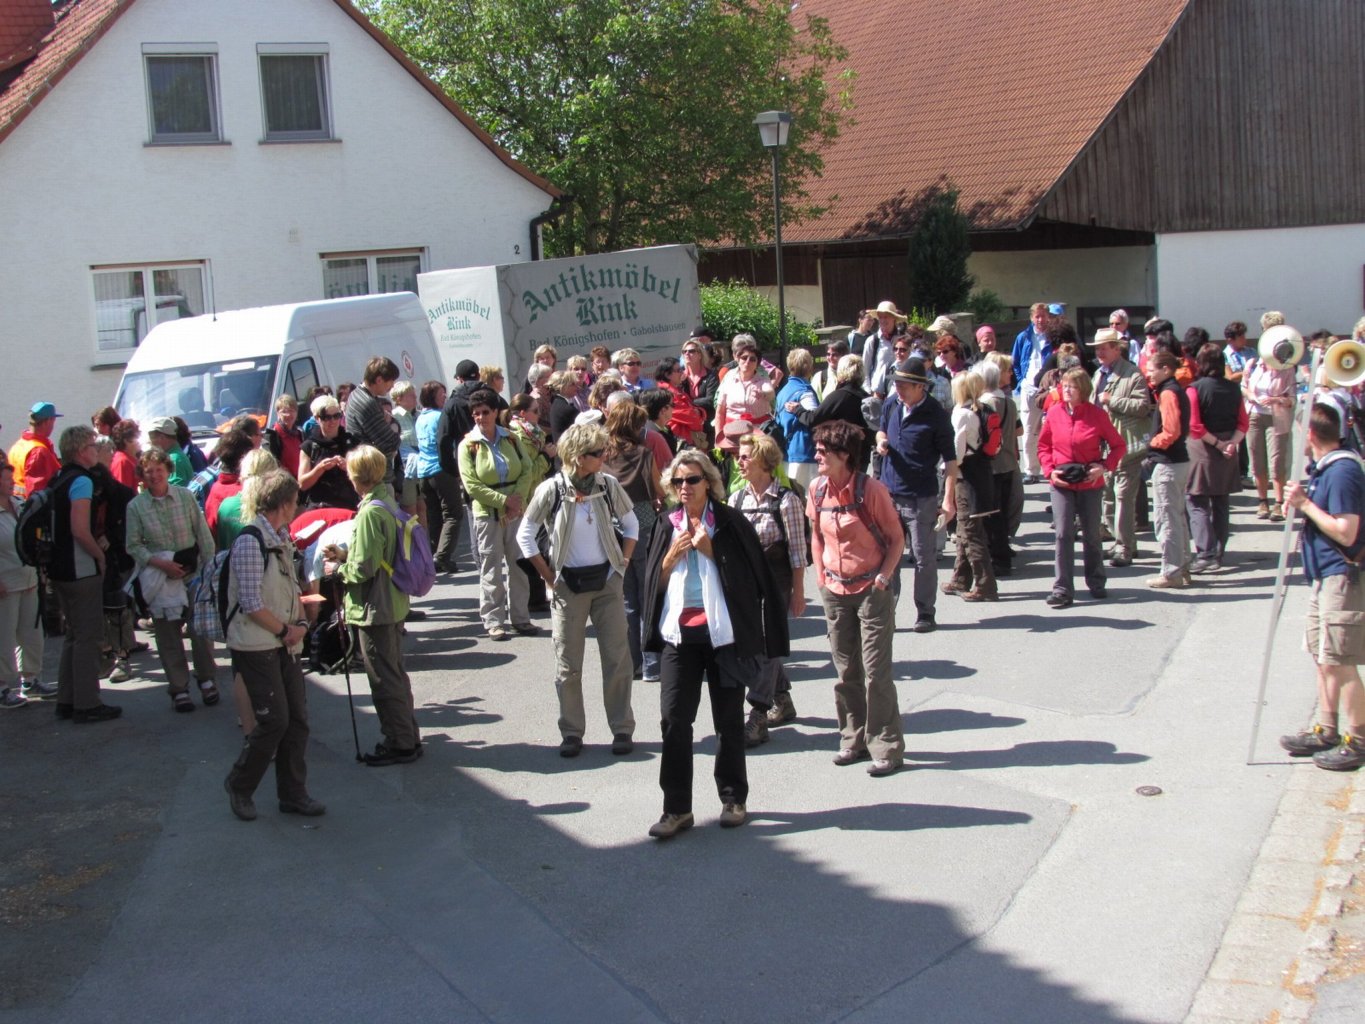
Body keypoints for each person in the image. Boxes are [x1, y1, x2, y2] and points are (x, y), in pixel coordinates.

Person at [641, 450, 788, 838]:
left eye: (692, 480)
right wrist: (669, 561)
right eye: (677, 481)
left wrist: (712, 551)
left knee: (728, 722)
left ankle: (733, 799)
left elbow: (750, 582)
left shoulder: (729, 522)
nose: (684, 487)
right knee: (674, 720)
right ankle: (676, 809)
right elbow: (651, 585)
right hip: (679, 635)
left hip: (722, 635)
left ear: (709, 482)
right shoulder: (666, 524)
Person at [518, 423, 638, 757]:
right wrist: (549, 577)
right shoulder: (551, 489)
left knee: (618, 659)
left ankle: (622, 729)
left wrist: (621, 566)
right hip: (567, 586)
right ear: (578, 456)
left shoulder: (607, 485)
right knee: (568, 664)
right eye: (598, 453)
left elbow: (632, 525)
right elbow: (524, 536)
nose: (604, 457)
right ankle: (571, 732)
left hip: (607, 583)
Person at [222, 469, 325, 820]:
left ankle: (293, 794)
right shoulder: (250, 541)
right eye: (295, 501)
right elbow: (251, 602)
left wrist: (299, 624)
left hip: (283, 642)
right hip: (257, 645)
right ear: (284, 504)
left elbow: (285, 590)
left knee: (297, 719)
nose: (298, 507)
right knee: (274, 721)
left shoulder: (279, 538)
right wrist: (286, 630)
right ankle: (240, 784)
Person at [808, 420, 905, 776]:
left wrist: (883, 577)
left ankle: (886, 747)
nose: (817, 455)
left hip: (871, 591)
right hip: (834, 591)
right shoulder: (817, 489)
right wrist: (820, 576)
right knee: (846, 671)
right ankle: (853, 739)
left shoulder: (872, 491)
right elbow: (816, 535)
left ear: (844, 455)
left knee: (876, 673)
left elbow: (896, 538)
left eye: (823, 450)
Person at [1278, 404, 1365, 770]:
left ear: (1310, 434)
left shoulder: (1343, 471)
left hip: (1341, 575)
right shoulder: (1324, 469)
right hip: (1323, 574)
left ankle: (1358, 739)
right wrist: (1300, 504)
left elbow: (1347, 531)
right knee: (1322, 655)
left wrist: (1306, 504)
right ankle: (1326, 729)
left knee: (1340, 661)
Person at [328, 446, 422, 766]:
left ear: (357, 477)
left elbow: (364, 567)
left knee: (383, 678)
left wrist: (338, 569)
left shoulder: (370, 512)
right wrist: (347, 557)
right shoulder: (387, 501)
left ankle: (399, 741)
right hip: (391, 600)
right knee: (395, 673)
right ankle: (408, 735)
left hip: (375, 604)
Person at [125, 448, 218, 712]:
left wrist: (209, 569)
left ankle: (207, 679)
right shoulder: (136, 506)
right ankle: (179, 688)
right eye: (148, 471)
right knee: (168, 635)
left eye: (159, 470)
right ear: (142, 475)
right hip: (162, 577)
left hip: (192, 573)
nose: (154, 475)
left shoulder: (185, 496)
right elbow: (133, 546)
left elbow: (202, 533)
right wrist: (161, 564)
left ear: (168, 470)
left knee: (200, 630)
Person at [729, 431, 807, 745]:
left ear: (763, 461)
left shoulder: (786, 501)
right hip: (746, 582)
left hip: (777, 580)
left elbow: (798, 551)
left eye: (745, 457)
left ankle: (758, 714)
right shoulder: (737, 499)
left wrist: (798, 592)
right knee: (757, 643)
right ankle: (782, 700)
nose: (739, 462)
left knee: (766, 643)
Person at [876, 357, 956, 633]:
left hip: (921, 497)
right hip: (889, 494)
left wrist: (948, 499)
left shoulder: (936, 414)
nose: (898, 388)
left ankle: (925, 612)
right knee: (889, 557)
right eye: (896, 383)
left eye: (904, 384)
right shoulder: (891, 404)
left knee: (923, 557)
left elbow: (951, 461)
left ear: (920, 386)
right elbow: (881, 430)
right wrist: (881, 441)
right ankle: (887, 612)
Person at [1038, 369, 1127, 608]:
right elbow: (1043, 446)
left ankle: (1096, 581)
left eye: (1073, 386)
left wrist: (1104, 467)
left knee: (1091, 534)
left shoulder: (1097, 415)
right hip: (1061, 482)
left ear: (1083, 390)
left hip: (1089, 482)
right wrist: (1049, 471)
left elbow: (1119, 446)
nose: (1067, 390)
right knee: (1063, 533)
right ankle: (1062, 589)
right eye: (1065, 386)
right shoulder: (1054, 413)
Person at [48, 426, 120, 722]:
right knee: (88, 636)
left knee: (74, 635)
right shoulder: (82, 481)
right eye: (92, 446)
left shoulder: (59, 477)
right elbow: (80, 529)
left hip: (59, 568)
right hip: (79, 569)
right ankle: (87, 704)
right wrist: (99, 556)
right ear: (80, 451)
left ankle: (67, 700)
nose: (97, 450)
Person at [458, 389, 537, 640]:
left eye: (485, 412)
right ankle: (493, 621)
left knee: (519, 564)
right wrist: (504, 501)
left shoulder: (511, 438)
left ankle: (521, 618)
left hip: (515, 511)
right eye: (476, 414)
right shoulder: (467, 445)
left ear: (495, 412)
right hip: (487, 513)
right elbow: (472, 485)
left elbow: (527, 469)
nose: (481, 417)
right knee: (491, 567)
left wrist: (517, 500)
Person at [603, 400, 663, 682]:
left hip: (611, 529)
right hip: (642, 525)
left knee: (626, 600)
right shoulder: (643, 454)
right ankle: (652, 664)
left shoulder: (601, 455)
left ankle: (632, 663)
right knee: (647, 595)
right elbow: (658, 490)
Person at [1090, 327, 1153, 568]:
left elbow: (1143, 407)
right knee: (1107, 496)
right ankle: (1120, 541)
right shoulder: (1098, 374)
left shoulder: (1132, 374)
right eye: (1097, 348)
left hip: (1127, 446)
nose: (1099, 352)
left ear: (1117, 349)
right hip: (1105, 447)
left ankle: (1125, 547)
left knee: (1123, 497)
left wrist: (1112, 400)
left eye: (1103, 348)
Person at [1186, 343, 1247, 573]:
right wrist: (1230, 444)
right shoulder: (1234, 389)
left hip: (1203, 449)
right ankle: (1218, 552)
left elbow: (1194, 426)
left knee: (1196, 501)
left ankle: (1205, 553)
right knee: (1221, 502)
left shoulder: (1194, 389)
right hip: (1228, 447)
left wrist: (1219, 444)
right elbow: (1243, 422)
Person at [942, 373, 998, 602]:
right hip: (981, 474)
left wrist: (946, 468)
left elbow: (956, 454)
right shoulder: (981, 410)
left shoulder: (961, 414)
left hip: (967, 478)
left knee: (971, 532)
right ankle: (961, 578)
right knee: (965, 530)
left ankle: (985, 585)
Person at [0, 462, 49, 707]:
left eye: (11, 478)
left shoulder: (19, 505)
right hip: (5, 585)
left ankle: (30, 679)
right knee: (4, 638)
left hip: (28, 580)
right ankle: (3, 687)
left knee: (31, 634)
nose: (12, 482)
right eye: (6, 479)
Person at [1144, 350, 1193, 589]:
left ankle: (1172, 571)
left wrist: (1151, 443)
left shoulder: (1168, 393)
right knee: (1176, 516)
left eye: (1151, 370)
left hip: (1169, 463)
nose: (1148, 374)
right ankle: (1181, 567)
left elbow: (1171, 431)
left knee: (1167, 519)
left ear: (1165, 369)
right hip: (1177, 462)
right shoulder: (1173, 390)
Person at [788, 354, 875, 472]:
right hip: (862, 457)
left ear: (842, 371)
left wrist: (797, 410)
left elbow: (812, 420)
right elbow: (874, 432)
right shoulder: (866, 397)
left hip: (841, 456)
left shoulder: (839, 396)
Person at [976, 357, 1020, 577]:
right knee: (1000, 512)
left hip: (991, 466)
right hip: (1008, 463)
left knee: (991, 516)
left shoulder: (985, 405)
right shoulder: (1009, 402)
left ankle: (999, 559)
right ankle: (1002, 553)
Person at [1243, 346, 1296, 521]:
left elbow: (1292, 399)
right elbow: (1244, 387)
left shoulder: (1286, 369)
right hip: (1254, 415)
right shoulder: (1253, 365)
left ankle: (1279, 503)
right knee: (1257, 459)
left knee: (1277, 461)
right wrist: (1251, 395)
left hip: (1276, 417)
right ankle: (1263, 501)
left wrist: (1275, 399)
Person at [415, 379, 463, 573]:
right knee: (453, 514)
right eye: (441, 394)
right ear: (432, 397)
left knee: (434, 516)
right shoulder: (440, 417)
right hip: (441, 469)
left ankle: (435, 555)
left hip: (424, 472)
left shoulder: (420, 418)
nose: (445, 397)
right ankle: (442, 556)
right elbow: (447, 443)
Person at [1011, 303, 1054, 481]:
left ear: (1048, 317)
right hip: (1029, 387)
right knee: (1029, 429)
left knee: (1051, 428)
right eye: (1037, 316)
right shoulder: (1023, 337)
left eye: (1043, 316)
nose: (1040, 320)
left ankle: (1051, 467)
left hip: (1049, 388)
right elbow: (1015, 362)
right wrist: (1021, 381)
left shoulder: (1054, 336)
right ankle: (1031, 471)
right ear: (1031, 318)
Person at [713, 335, 775, 455]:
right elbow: (720, 412)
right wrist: (717, 439)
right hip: (731, 436)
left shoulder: (763, 379)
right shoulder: (728, 378)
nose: (747, 362)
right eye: (744, 358)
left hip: (757, 436)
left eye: (752, 359)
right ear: (737, 359)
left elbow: (770, 393)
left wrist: (764, 393)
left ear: (757, 363)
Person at [345, 357, 401, 484]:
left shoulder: (357, 394)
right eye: (391, 381)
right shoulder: (367, 402)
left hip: (370, 474)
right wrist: (391, 425)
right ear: (379, 380)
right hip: (374, 478)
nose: (393, 386)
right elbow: (390, 443)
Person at [298, 394, 359, 511]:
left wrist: (349, 467)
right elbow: (302, 484)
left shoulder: (351, 441)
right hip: (320, 507)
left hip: (349, 505)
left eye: (336, 416)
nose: (333, 421)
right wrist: (319, 468)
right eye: (326, 417)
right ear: (317, 418)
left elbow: (366, 475)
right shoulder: (309, 446)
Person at [775, 348, 818, 489]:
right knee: (809, 497)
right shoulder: (805, 392)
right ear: (809, 367)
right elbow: (814, 419)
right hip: (805, 452)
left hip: (787, 452)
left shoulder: (783, 392)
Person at [9, 401, 63, 499]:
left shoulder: (18, 445)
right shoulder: (38, 451)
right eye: (53, 420)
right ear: (47, 421)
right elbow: (37, 494)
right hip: (28, 505)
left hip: (15, 503)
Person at [860, 301, 907, 401]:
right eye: (880, 317)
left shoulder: (903, 340)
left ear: (894, 318)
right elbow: (864, 369)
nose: (882, 320)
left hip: (900, 393)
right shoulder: (873, 341)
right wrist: (869, 392)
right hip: (877, 395)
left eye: (886, 317)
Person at [654, 357, 705, 449]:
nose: (682, 372)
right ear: (667, 375)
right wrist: (699, 414)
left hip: (687, 439)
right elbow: (692, 417)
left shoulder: (676, 390)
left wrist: (700, 412)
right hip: (681, 442)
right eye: (678, 370)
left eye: (681, 369)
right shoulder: (667, 395)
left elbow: (693, 412)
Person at [144, 416, 195, 486]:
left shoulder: (175, 460)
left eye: (151, 437)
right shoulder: (173, 456)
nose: (149, 442)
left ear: (161, 438)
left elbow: (174, 490)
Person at [264, 394, 303, 478]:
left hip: (300, 480)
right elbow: (271, 465)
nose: (288, 414)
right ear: (278, 413)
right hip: (284, 482)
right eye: (284, 412)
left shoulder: (300, 433)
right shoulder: (272, 435)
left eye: (292, 411)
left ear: (296, 413)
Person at [108, 418, 141, 490]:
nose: (139, 440)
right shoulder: (122, 461)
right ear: (126, 440)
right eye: (136, 436)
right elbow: (123, 492)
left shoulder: (130, 458)